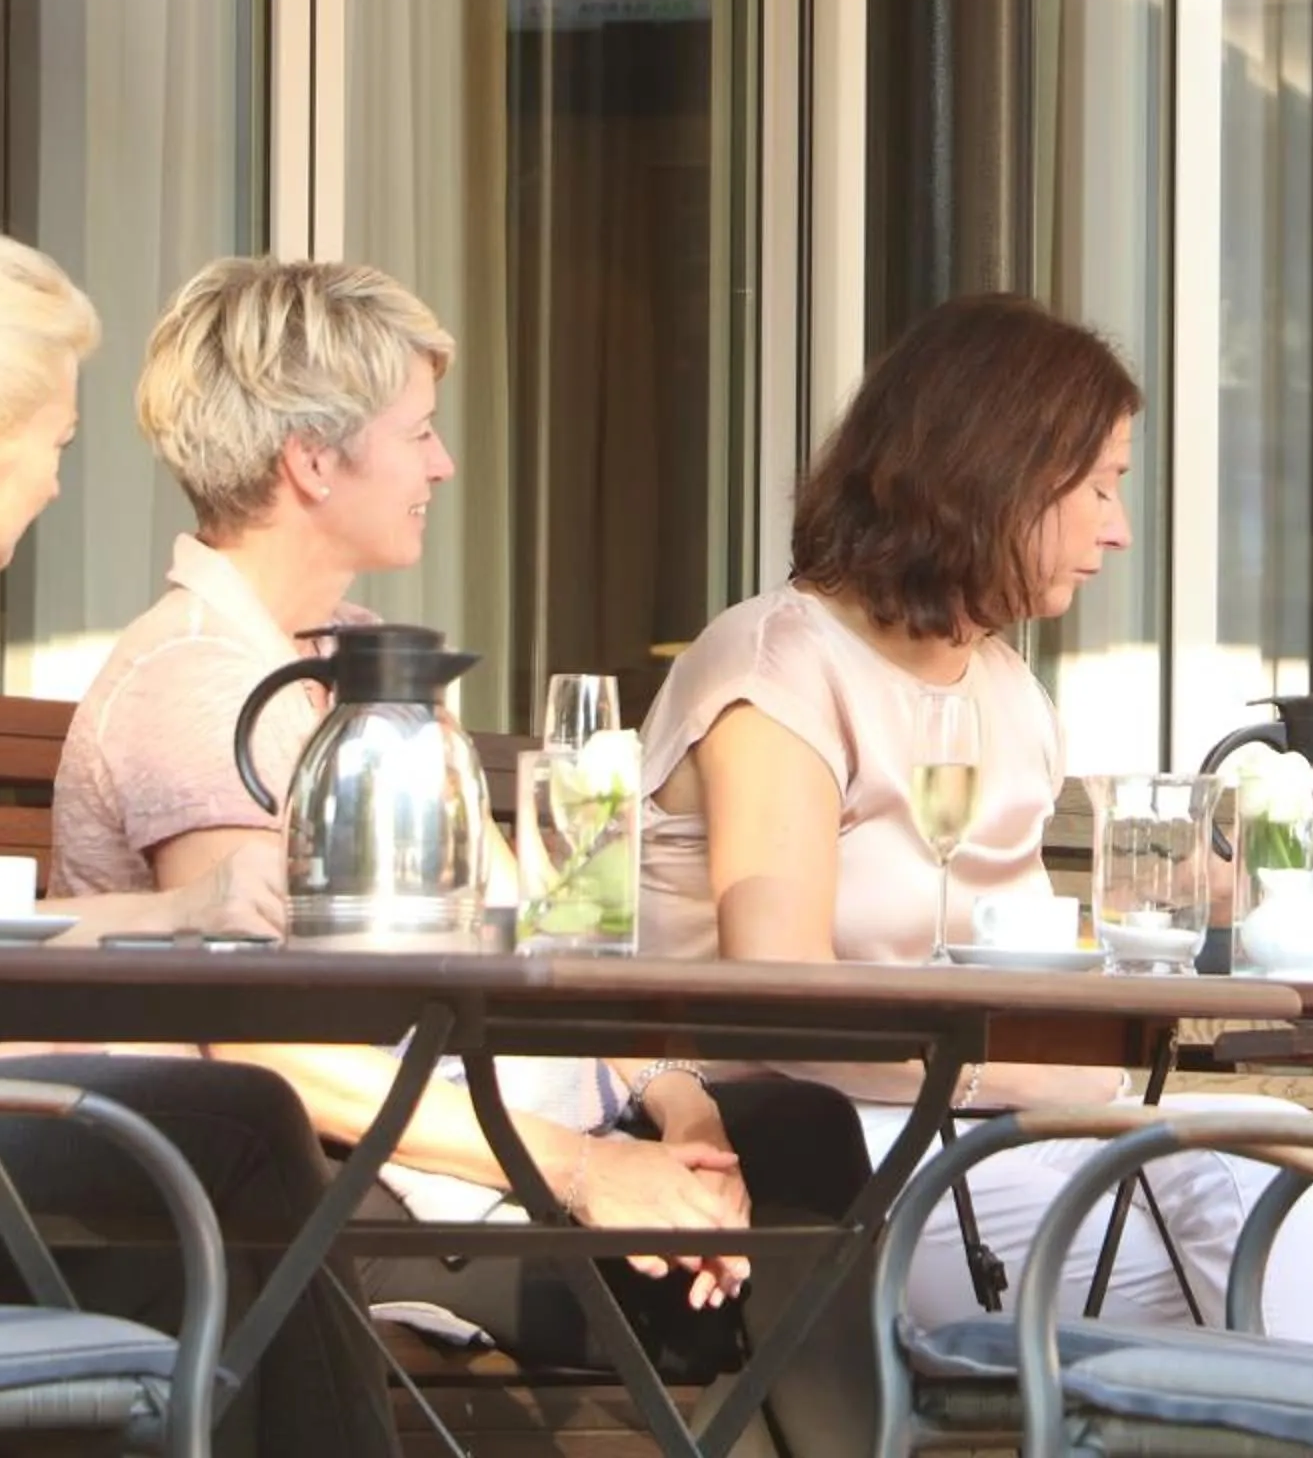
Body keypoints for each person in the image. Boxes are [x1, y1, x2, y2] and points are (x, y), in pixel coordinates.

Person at [49, 256, 878, 1443]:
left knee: (786, 1135)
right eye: (420, 432)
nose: (442, 464)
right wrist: (588, 1174)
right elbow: (268, 1049)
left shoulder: (374, 662)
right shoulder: (198, 687)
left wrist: (682, 1111)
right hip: (339, 1187)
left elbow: (538, 937)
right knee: (750, 1284)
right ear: (313, 460)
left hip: (471, 1140)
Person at [0, 228, 397, 1458]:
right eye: (56, 437)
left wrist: (122, 943)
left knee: (181, 1292)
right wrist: (161, 914)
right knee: (243, 1122)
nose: (61, 477)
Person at [637, 293, 1313, 1338]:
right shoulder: (779, 667)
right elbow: (778, 1000)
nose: (1118, 528)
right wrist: (1039, 1064)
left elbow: (1010, 953)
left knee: (1272, 1172)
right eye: (1103, 486)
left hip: (994, 1132)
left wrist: (1216, 888)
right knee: (1253, 1212)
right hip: (817, 1152)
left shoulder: (1005, 687)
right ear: (1000, 473)